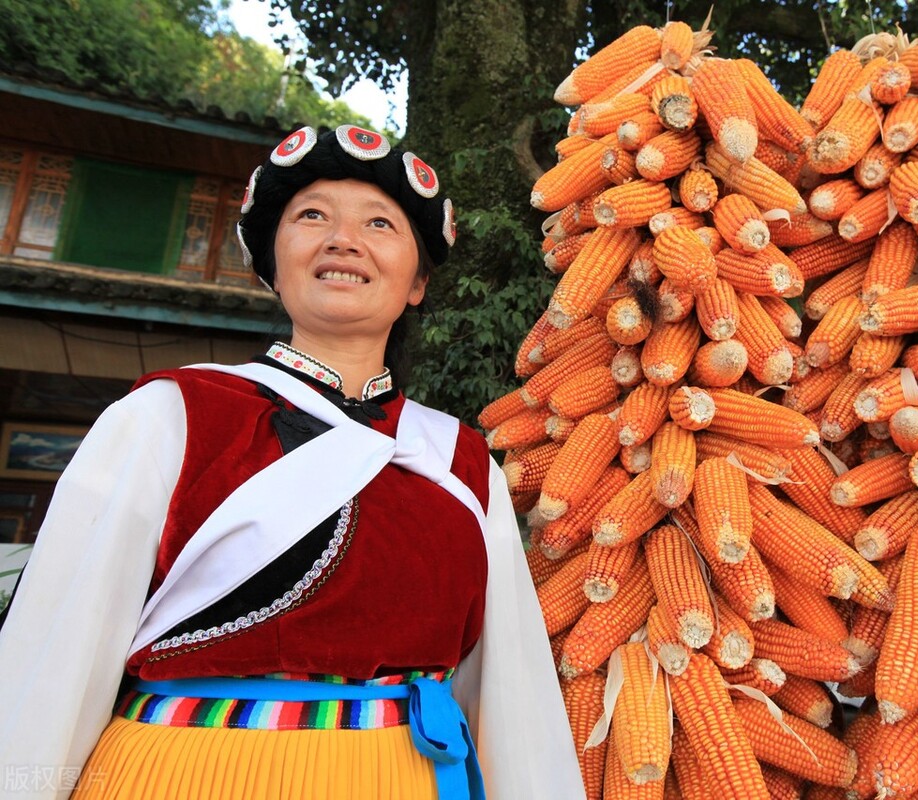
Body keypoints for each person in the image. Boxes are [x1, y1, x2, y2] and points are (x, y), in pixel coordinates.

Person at [0, 125, 585, 800]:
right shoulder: (170, 415)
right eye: (312, 216)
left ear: (418, 281)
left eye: (379, 223)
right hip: (177, 777)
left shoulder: (461, 459)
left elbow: (509, 693)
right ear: (273, 265)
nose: (343, 239)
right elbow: (55, 656)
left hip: (404, 780)